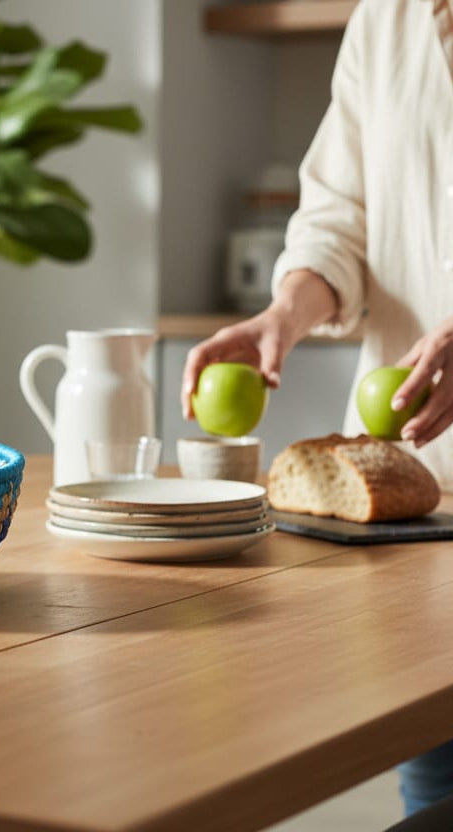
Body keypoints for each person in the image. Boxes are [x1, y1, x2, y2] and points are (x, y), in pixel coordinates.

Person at [181, 0, 453, 819]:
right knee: (433, 782)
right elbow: (339, 215)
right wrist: (284, 314)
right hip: (418, 501)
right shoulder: (392, 16)